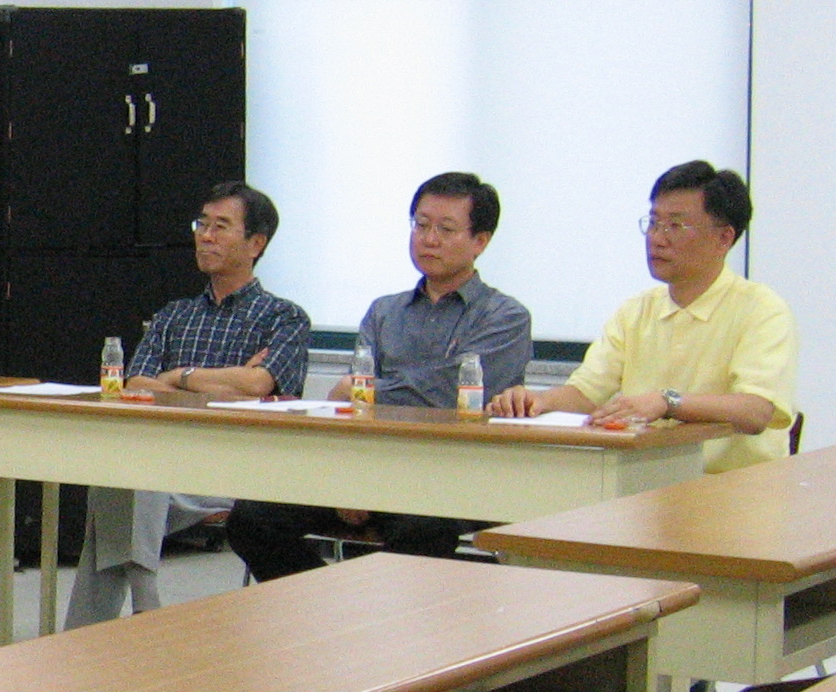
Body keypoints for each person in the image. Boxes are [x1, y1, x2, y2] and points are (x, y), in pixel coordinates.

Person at [226, 172, 533, 582]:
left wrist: (364, 391)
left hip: (450, 477)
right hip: (368, 468)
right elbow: (357, 406)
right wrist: (352, 478)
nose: (429, 239)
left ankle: (375, 612)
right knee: (251, 519)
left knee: (423, 529)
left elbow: (450, 396)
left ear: (480, 241)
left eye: (446, 229)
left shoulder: (506, 316)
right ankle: (324, 604)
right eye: (420, 225)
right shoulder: (384, 312)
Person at [65, 182, 311, 628]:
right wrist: (222, 387)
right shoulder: (174, 315)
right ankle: (145, 607)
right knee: (130, 476)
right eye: (202, 224)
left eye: (221, 226)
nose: (206, 236)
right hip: (167, 460)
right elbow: (135, 384)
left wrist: (177, 377)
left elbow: (259, 385)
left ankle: (89, 635)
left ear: (256, 243)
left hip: (238, 468)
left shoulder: (284, 317)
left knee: (124, 483)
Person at [492, 161, 796, 470]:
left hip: (734, 486)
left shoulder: (761, 309)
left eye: (675, 226)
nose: (657, 238)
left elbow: (755, 410)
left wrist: (667, 402)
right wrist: (538, 401)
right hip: (645, 481)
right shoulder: (636, 311)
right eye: (653, 222)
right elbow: (586, 394)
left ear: (723, 239)